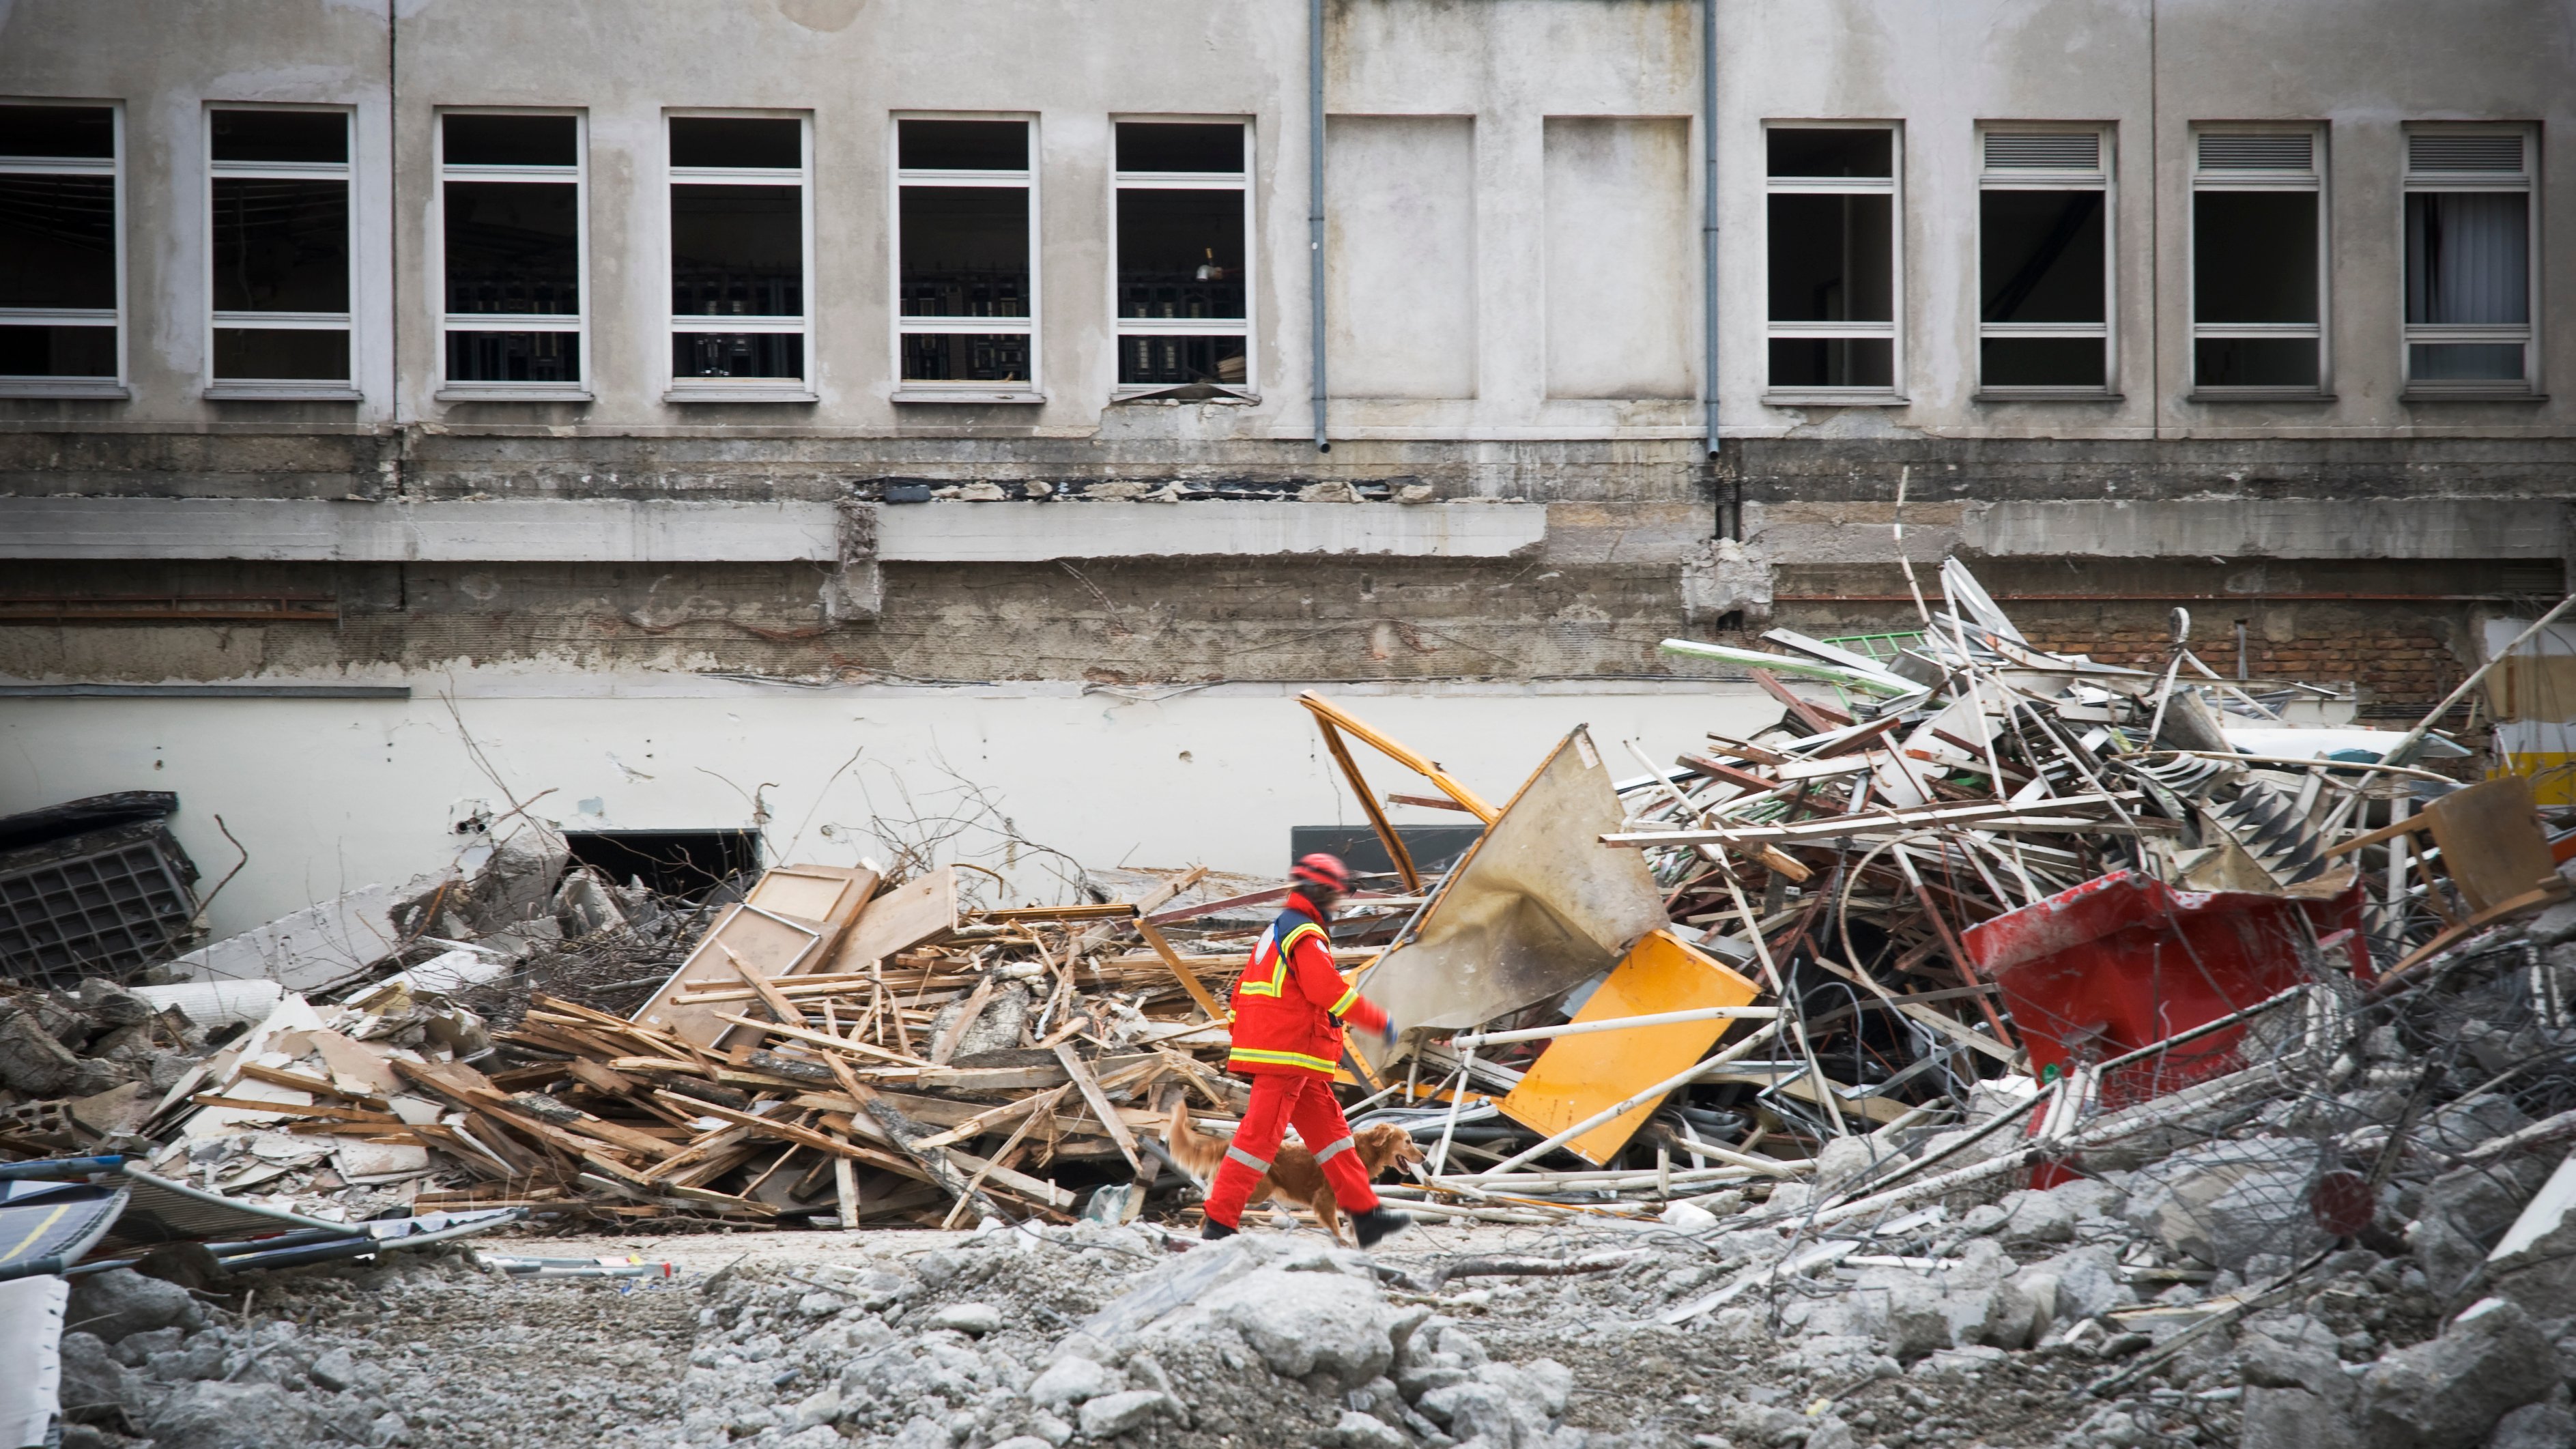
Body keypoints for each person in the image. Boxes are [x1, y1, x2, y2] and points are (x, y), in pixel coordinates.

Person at [1201, 852, 1413, 1246]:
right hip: (1289, 1054)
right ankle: (1219, 1223)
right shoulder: (1305, 934)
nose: (1337, 904)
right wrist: (1377, 1020)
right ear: (1319, 891)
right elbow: (1325, 990)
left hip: (1290, 1054)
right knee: (1258, 1141)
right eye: (1334, 896)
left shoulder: (1280, 929)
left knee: (1335, 1139)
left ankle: (1366, 1217)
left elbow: (1241, 994)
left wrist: (1251, 1040)